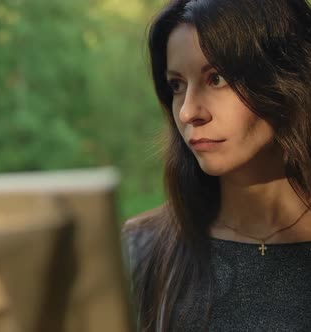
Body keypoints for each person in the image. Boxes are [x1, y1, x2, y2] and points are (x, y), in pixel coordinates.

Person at [122, 0, 311, 330]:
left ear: (286, 79)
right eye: (176, 85)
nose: (188, 112)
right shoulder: (144, 249)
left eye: (217, 78)